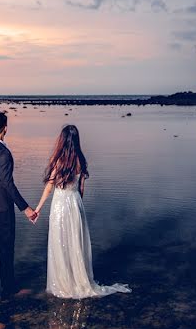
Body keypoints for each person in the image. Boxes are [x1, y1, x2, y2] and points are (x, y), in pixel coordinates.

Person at [32, 124, 130, 299]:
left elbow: (49, 187)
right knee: (75, 243)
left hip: (60, 204)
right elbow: (81, 189)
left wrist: (37, 209)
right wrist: (77, 206)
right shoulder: (80, 160)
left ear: (62, 141)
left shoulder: (59, 161)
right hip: (75, 204)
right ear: (76, 141)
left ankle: (64, 283)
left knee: (60, 244)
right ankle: (78, 280)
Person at [0, 111, 37, 299]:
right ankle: (9, 288)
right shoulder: (4, 153)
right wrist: (25, 208)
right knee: (6, 246)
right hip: (3, 205)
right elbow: (7, 183)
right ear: (5, 129)